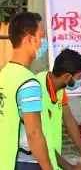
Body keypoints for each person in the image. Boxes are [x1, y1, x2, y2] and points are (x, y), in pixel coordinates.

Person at [20, 48, 81, 170]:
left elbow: (69, 120)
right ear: (67, 76)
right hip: (31, 161)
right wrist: (71, 168)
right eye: (79, 76)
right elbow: (40, 137)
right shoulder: (37, 90)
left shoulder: (59, 88)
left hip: (49, 159)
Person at [0, 12, 55, 170]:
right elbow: (34, 133)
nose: (44, 42)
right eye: (41, 37)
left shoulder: (4, 74)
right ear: (30, 39)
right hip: (24, 163)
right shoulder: (28, 82)